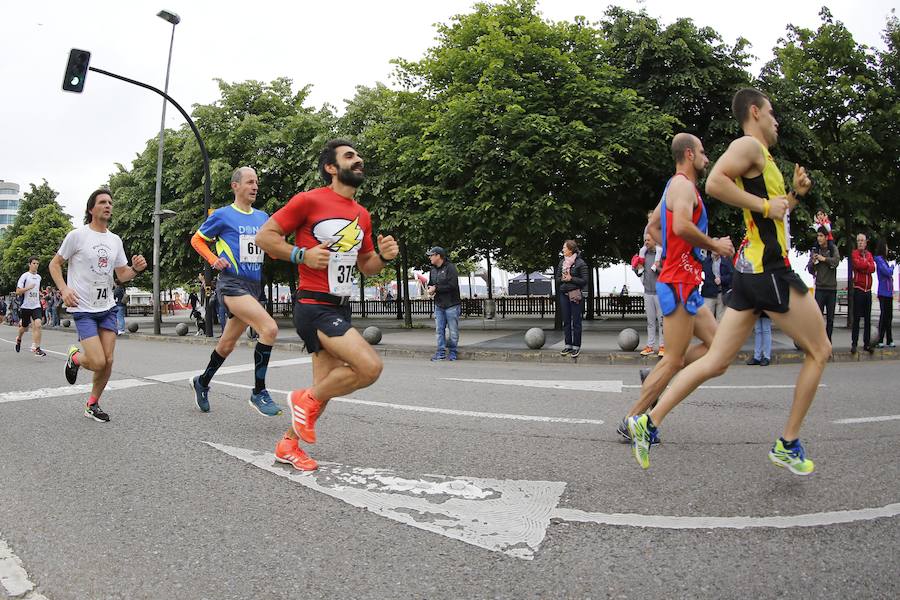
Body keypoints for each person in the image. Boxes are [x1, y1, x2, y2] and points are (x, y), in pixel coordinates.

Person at [627, 88, 827, 476]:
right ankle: (788, 443)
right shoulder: (748, 145)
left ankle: (647, 423)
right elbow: (717, 183)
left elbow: (770, 217)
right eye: (771, 113)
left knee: (717, 360)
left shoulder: (764, 159)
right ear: (754, 112)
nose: (776, 120)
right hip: (767, 270)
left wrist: (793, 197)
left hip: (751, 271)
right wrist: (765, 206)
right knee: (820, 351)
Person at [255, 138, 400, 471]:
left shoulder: (362, 215)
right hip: (313, 304)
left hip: (340, 305)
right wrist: (300, 254)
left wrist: (383, 256)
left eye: (359, 154)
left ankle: (288, 445)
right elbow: (265, 237)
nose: (359, 159)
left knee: (323, 391)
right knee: (369, 367)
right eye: (350, 156)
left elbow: (366, 266)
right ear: (331, 168)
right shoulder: (309, 200)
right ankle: (300, 399)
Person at [617, 133, 733, 440]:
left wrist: (672, 250)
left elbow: (655, 226)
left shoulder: (674, 186)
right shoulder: (682, 186)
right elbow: (680, 226)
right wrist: (715, 245)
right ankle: (631, 420)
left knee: (719, 351)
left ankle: (653, 378)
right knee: (674, 359)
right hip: (680, 282)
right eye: (703, 152)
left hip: (687, 283)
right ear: (690, 155)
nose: (707, 158)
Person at [188, 166, 282, 417]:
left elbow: (271, 250)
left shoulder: (263, 217)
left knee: (227, 344)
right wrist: (212, 259)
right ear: (235, 186)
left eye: (257, 183)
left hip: (253, 287)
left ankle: (202, 382)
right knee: (269, 328)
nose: (255, 187)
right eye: (250, 182)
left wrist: (281, 247)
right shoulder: (222, 215)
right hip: (231, 284)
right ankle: (259, 391)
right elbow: (197, 240)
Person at [50, 188, 147, 422]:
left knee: (109, 361)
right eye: (102, 202)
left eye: (110, 202)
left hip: (107, 307)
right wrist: (64, 289)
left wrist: (134, 269)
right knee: (97, 361)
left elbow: (121, 275)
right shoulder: (77, 236)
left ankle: (92, 404)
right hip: (83, 309)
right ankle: (75, 358)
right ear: (91, 209)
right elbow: (55, 265)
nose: (108, 205)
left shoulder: (115, 240)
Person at [426, 246, 462, 361]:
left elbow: (453, 285)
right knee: (439, 330)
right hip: (439, 305)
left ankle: (453, 352)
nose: (430, 257)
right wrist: (430, 290)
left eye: (431, 255)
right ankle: (440, 352)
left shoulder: (450, 268)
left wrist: (436, 288)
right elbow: (431, 284)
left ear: (438, 256)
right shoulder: (432, 270)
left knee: (453, 331)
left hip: (452, 304)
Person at [807, 226, 840, 342]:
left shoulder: (832, 249)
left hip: (831, 289)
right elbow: (811, 270)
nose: (819, 238)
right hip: (820, 288)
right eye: (818, 236)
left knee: (830, 319)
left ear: (826, 237)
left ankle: (828, 342)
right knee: (818, 318)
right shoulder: (816, 249)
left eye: (821, 236)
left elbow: (836, 261)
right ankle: (818, 342)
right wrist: (812, 261)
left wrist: (824, 259)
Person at [556, 240, 588, 358]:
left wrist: (571, 278)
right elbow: (557, 279)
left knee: (576, 322)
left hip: (575, 295)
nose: (563, 249)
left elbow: (584, 281)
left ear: (570, 249)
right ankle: (568, 345)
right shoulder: (562, 263)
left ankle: (576, 347)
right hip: (563, 294)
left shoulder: (581, 263)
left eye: (564, 247)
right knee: (566, 322)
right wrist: (562, 279)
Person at [633, 234, 663, 357]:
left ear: (655, 241)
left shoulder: (661, 255)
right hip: (647, 291)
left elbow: (666, 271)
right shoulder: (643, 255)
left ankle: (663, 346)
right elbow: (639, 272)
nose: (646, 242)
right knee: (650, 321)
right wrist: (636, 268)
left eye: (648, 240)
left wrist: (658, 268)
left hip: (659, 293)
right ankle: (650, 346)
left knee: (662, 321)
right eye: (645, 240)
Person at [15, 256, 47, 356]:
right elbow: (18, 292)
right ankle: (19, 338)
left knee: (38, 324)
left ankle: (37, 348)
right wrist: (28, 288)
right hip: (25, 306)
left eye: (37, 264)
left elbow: (36, 289)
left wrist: (39, 293)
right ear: (29, 264)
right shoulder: (24, 276)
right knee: (24, 328)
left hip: (36, 305)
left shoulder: (39, 277)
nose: (36, 265)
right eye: (34, 263)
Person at [850, 232, 876, 354]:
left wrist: (866, 265)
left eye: (862, 240)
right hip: (859, 289)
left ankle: (867, 343)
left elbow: (873, 268)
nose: (860, 242)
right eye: (858, 240)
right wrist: (866, 264)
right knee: (856, 319)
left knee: (867, 319)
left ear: (866, 243)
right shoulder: (854, 253)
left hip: (868, 291)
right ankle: (854, 344)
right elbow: (858, 265)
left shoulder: (869, 254)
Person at [700, 248, 733, 321]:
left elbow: (732, 275)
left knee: (721, 319)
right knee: (707, 319)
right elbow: (700, 276)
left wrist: (722, 279)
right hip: (708, 294)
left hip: (722, 294)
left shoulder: (726, 261)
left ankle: (719, 332)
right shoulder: (705, 261)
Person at [874, 239, 894, 348]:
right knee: (884, 316)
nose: (887, 249)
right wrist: (892, 267)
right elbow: (887, 272)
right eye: (886, 247)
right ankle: (880, 339)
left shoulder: (885, 260)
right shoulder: (879, 260)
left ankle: (889, 339)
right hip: (883, 292)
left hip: (889, 292)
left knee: (889, 316)